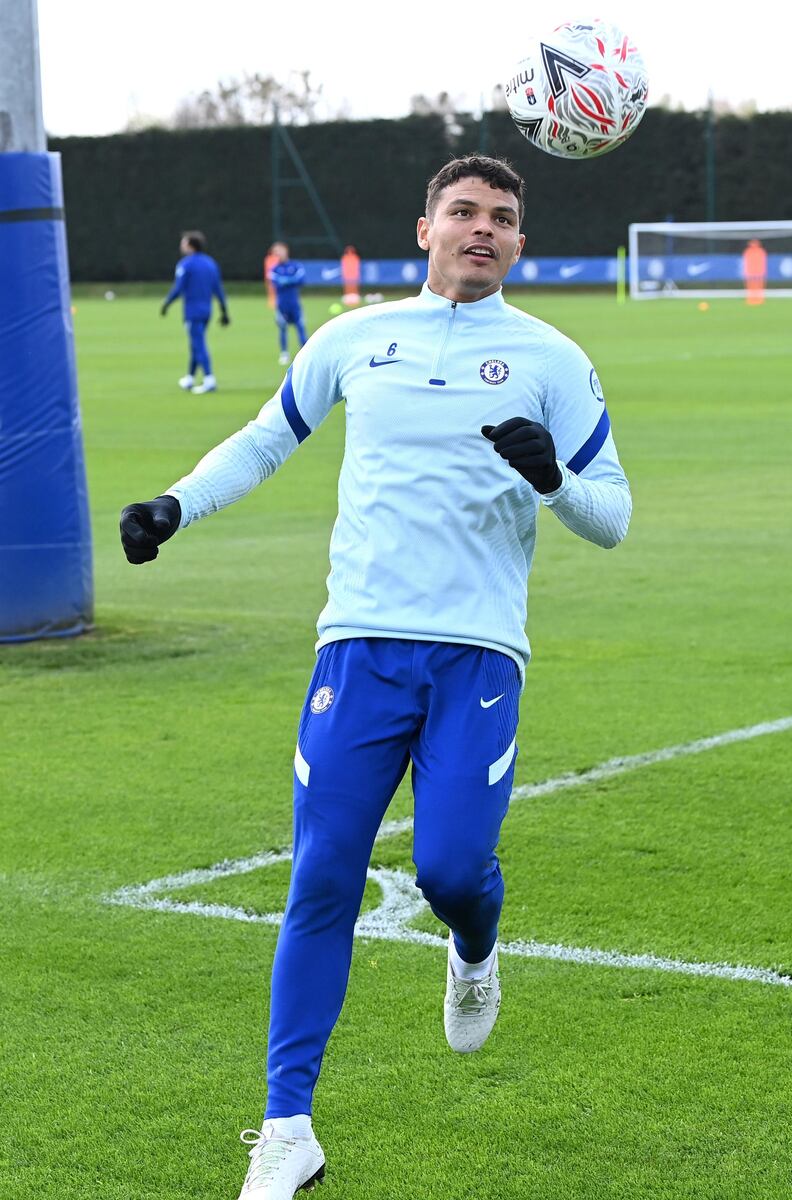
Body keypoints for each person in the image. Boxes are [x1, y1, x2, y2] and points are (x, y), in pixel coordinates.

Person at [120, 154, 632, 1199]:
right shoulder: (355, 337)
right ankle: (285, 1128)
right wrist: (174, 506)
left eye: (500, 217)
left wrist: (553, 475)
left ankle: (473, 949)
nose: (480, 228)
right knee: (320, 879)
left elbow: (610, 517)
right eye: (462, 212)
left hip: (476, 655)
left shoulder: (550, 358)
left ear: (519, 242)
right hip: (354, 648)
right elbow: (267, 440)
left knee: (448, 873)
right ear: (425, 226)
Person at [161, 230, 230, 394]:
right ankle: (190, 378)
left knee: (198, 344)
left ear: (190, 245)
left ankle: (209, 379)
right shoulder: (210, 263)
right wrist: (224, 310)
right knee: (196, 343)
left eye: (183, 242)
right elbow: (218, 289)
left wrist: (167, 303)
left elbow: (178, 288)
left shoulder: (185, 264)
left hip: (192, 312)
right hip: (207, 311)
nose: (181, 245)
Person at [268, 241, 307, 365]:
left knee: (300, 327)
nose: (277, 254)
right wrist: (290, 280)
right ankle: (284, 353)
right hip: (282, 305)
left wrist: (286, 280)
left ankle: (306, 352)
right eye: (275, 252)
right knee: (283, 328)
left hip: (295, 304)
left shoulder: (296, 266)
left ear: (286, 250)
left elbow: (301, 280)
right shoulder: (274, 269)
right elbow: (276, 283)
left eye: (279, 251)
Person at [742, 237, 768, 306]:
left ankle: (756, 299)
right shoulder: (749, 251)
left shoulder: (759, 251)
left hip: (756, 272)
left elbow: (762, 262)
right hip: (753, 272)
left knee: (757, 286)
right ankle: (753, 299)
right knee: (752, 286)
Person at [263, 243, 281, 309]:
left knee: (277, 290)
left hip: (277, 277)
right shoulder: (268, 258)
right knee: (270, 290)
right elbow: (268, 268)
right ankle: (271, 303)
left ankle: (277, 302)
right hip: (269, 276)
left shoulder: (279, 258)